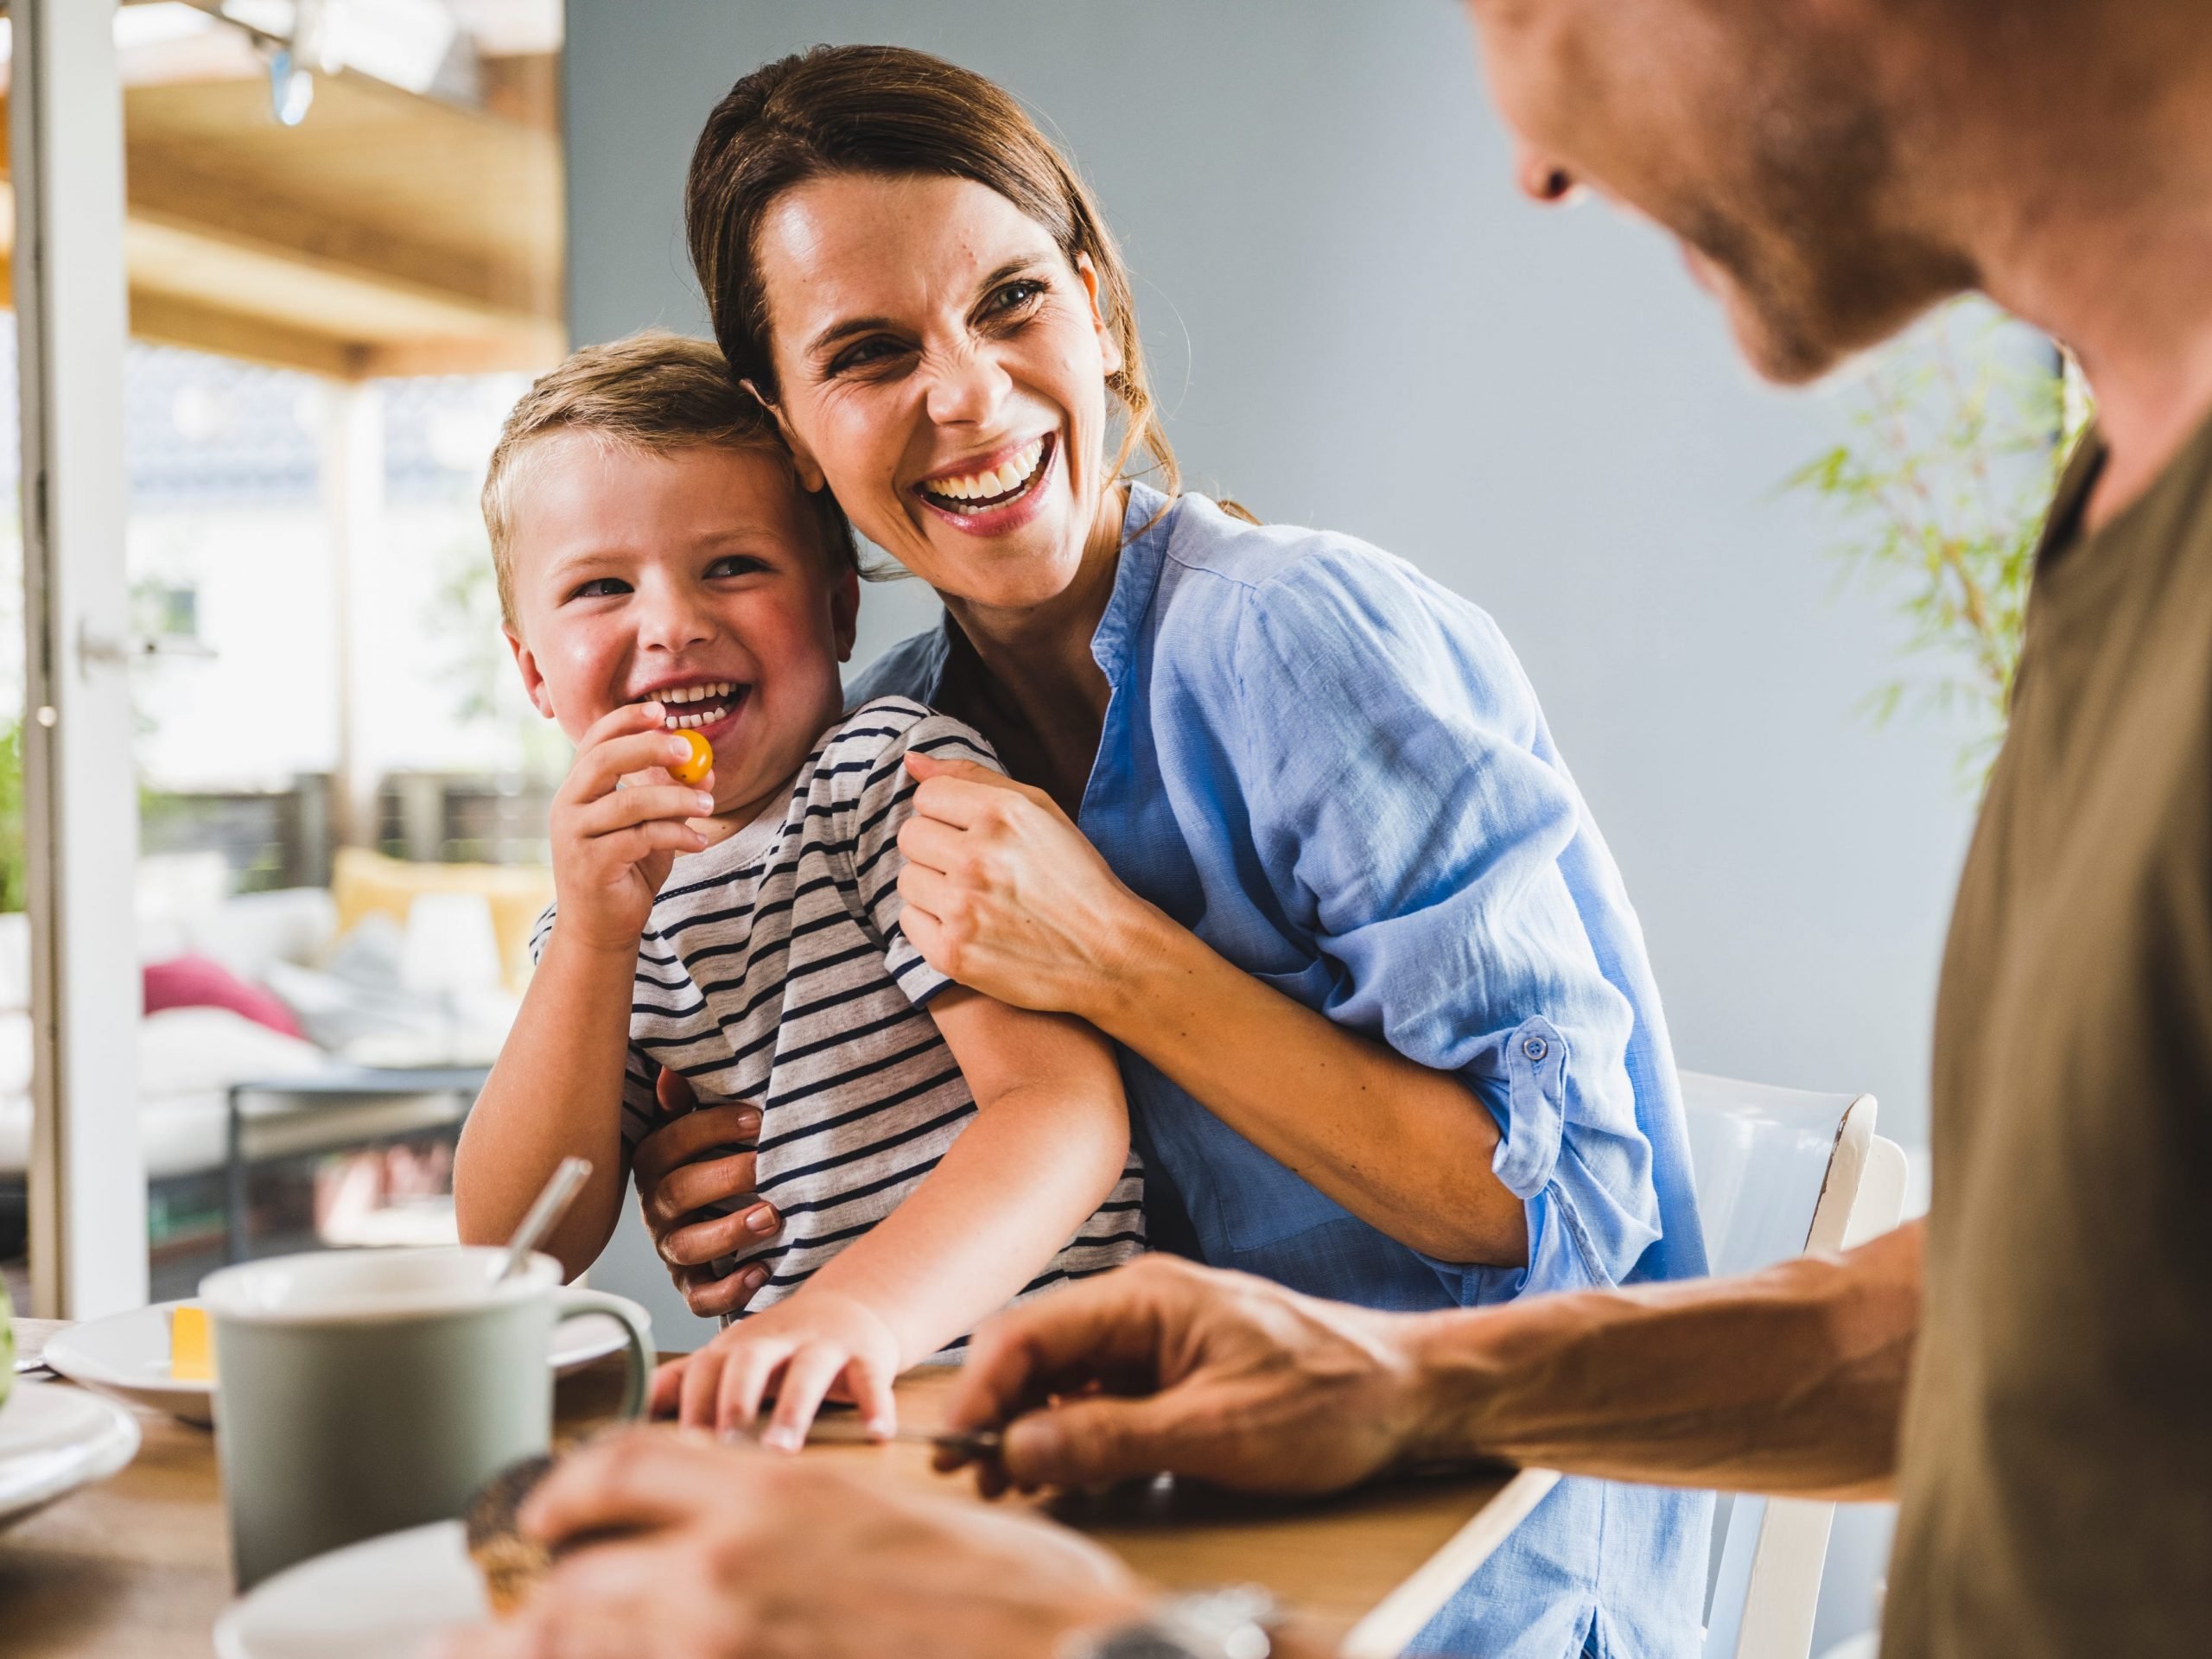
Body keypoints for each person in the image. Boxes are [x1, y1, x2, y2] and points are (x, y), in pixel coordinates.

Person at [453, 0, 2212, 1650]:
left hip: (1471, 1576)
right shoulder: (903, 740)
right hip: (1190, 1523)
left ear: (1099, 310)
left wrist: (1121, 965)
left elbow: (1561, 1204)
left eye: (1010, 306)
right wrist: (766, 1139)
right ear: (797, 444)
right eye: (865, 355)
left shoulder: (1287, 633)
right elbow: (2028, 1305)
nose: (966, 396)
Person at [452, 332, 1142, 1444]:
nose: (671, 623)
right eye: (600, 587)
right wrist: (588, 941)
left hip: (1026, 1397)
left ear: (837, 610)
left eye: (732, 565)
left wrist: (848, 1317)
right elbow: (516, 1242)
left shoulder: (887, 781)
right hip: (808, 1421)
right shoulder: (601, 919)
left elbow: (1061, 1112)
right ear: (533, 669)